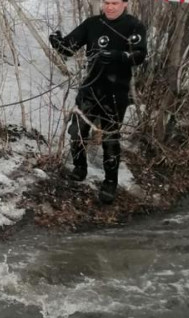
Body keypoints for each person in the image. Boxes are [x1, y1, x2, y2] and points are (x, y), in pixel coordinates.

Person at [49, 0, 147, 204]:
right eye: (106, 2)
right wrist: (58, 43)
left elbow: (139, 55)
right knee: (77, 131)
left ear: (125, 4)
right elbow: (69, 48)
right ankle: (80, 168)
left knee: (110, 138)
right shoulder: (92, 23)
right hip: (90, 88)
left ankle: (110, 182)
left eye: (115, 3)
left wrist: (117, 55)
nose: (110, 7)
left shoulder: (134, 25)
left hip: (116, 91)